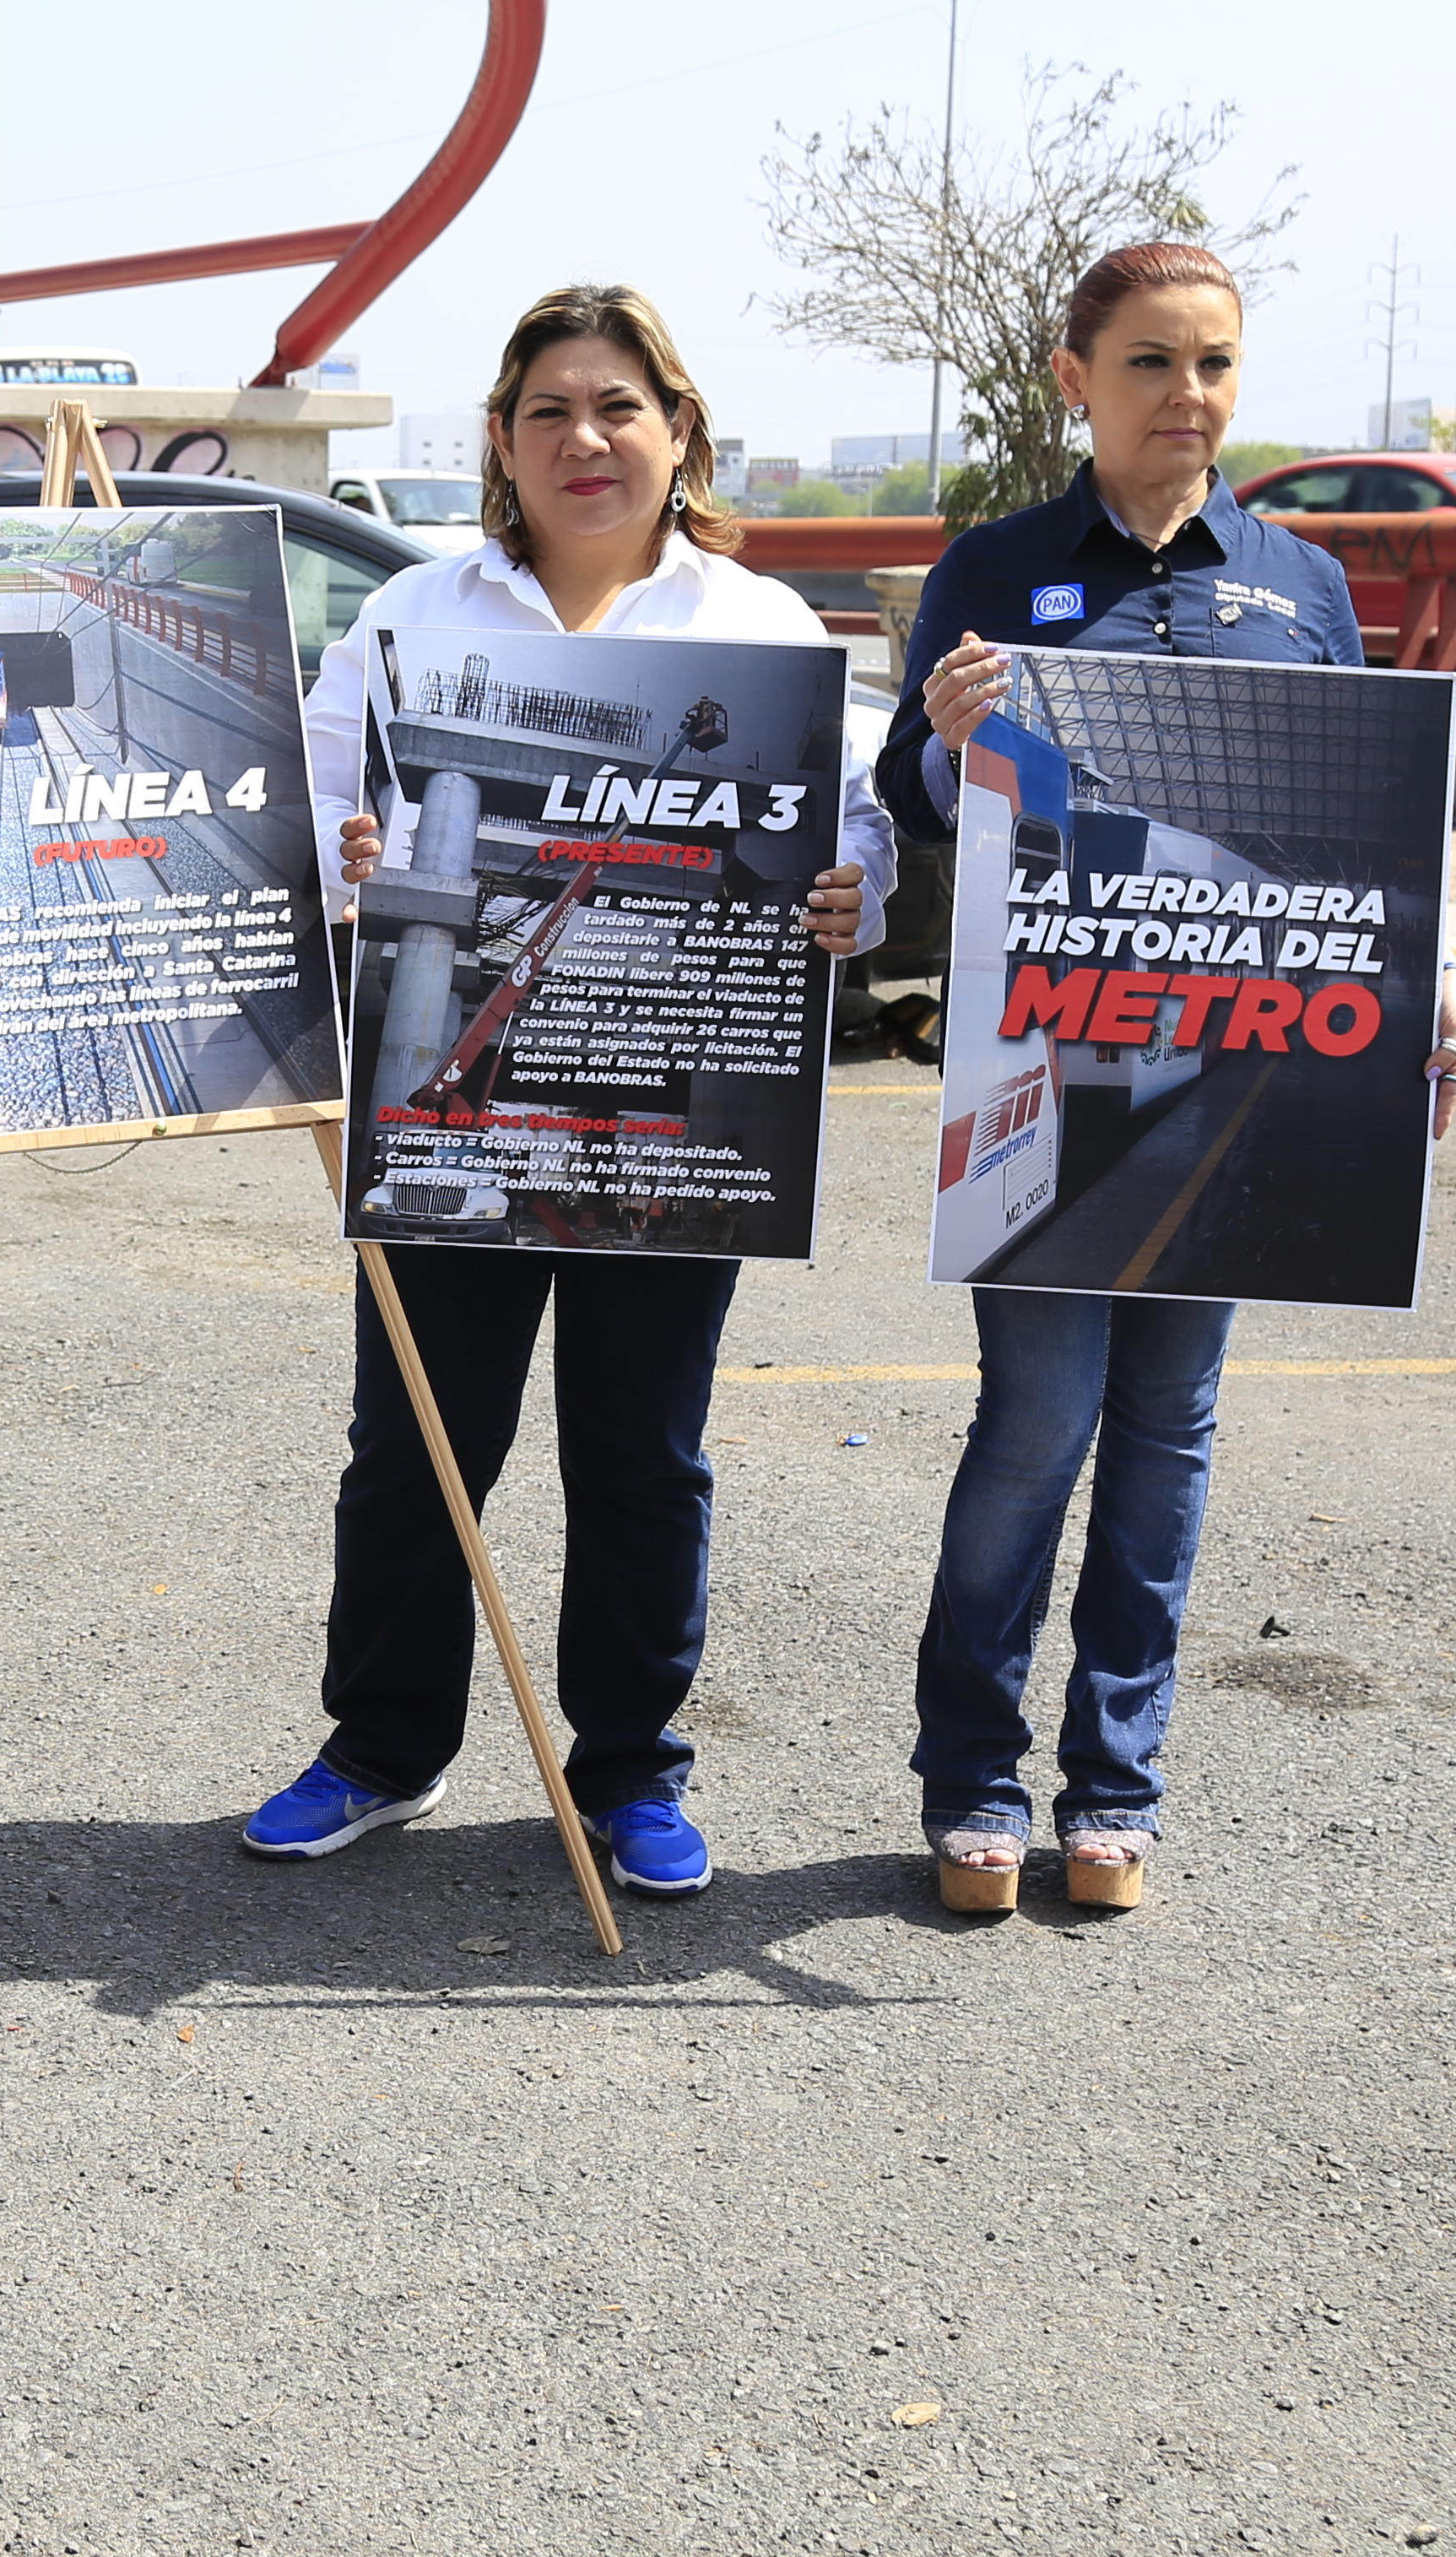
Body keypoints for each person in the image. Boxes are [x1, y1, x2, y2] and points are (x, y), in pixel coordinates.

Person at [241, 283, 890, 1900]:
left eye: (620, 409)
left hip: (677, 1110)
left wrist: (847, 897)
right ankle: (382, 1749)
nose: (586, 441)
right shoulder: (413, 621)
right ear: (501, 444)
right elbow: (309, 802)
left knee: (642, 1456)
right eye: (550, 413)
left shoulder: (761, 629)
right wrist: (360, 860)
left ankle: (631, 1773)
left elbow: (859, 828)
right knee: (416, 1446)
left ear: (680, 436)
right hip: (457, 1104)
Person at [879, 238, 1456, 1915]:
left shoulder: (1301, 583)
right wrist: (945, 723)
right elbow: (920, 799)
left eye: (1214, 364)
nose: (1188, 397)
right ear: (1079, 380)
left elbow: (1371, 828)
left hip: (1243, 1079)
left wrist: (1437, 971)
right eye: (1152, 363)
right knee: (1037, 1427)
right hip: (1053, 1085)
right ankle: (971, 1781)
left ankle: (1113, 1787)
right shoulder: (995, 568)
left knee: (1169, 1434)